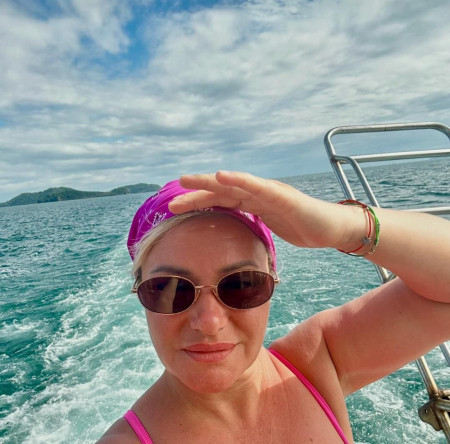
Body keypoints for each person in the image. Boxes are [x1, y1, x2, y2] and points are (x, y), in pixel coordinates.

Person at [99, 171, 450, 443]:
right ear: (139, 291)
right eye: (170, 289)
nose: (209, 322)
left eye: (241, 284)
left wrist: (343, 227)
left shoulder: (318, 360)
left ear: (273, 280)